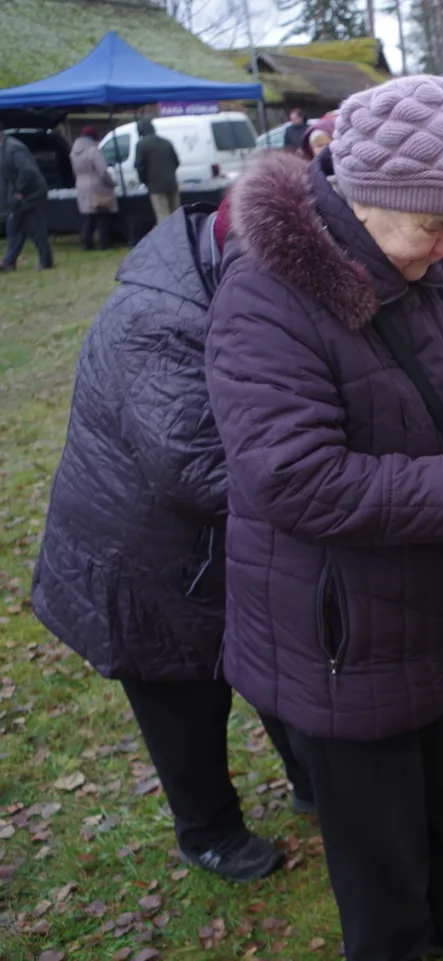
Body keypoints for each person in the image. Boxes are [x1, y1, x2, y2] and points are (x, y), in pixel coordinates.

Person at [207, 75, 443, 961]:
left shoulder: (425, 260)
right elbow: (298, 479)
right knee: (377, 833)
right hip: (338, 623)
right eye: (435, 227)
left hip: (436, 590)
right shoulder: (265, 297)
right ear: (365, 197)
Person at [30, 194, 312, 883]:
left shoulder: (216, 281)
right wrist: (322, 487)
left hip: (212, 551)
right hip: (140, 561)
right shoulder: (153, 321)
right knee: (183, 698)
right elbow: (196, 465)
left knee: (272, 670)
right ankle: (208, 830)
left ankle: (316, 781)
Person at [0, 129, 53, 271]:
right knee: (14, 227)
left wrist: (18, 190)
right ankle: (9, 262)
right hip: (20, 197)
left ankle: (46, 261)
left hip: (31, 194)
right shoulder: (4, 148)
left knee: (36, 229)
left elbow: (27, 170)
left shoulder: (13, 148)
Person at [70, 126, 119, 251]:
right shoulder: (93, 151)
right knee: (103, 215)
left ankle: (87, 242)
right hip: (97, 187)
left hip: (81, 185)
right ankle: (105, 243)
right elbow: (102, 171)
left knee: (90, 216)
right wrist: (111, 183)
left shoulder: (73, 153)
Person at [135, 118, 181, 225]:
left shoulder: (141, 145)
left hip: (155, 186)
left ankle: (166, 240)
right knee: (176, 216)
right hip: (172, 183)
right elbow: (176, 162)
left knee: (163, 216)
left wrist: (145, 181)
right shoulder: (166, 142)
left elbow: (140, 167)